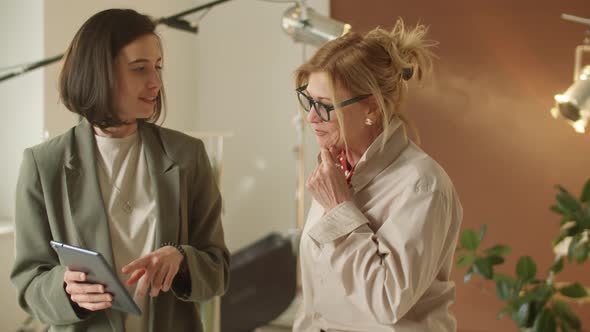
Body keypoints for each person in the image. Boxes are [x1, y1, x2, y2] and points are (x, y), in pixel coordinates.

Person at [10, 8, 229, 332]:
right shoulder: (44, 165)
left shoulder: (187, 156)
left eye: (157, 67)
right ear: (99, 74)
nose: (156, 82)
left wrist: (182, 260)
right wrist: (68, 289)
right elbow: (29, 286)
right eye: (140, 69)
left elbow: (218, 272)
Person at [293, 19, 463, 332]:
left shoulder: (422, 186)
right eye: (308, 99)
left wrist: (340, 209)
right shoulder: (334, 170)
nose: (311, 116)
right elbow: (316, 303)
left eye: (325, 106)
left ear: (371, 109)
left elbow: (387, 300)